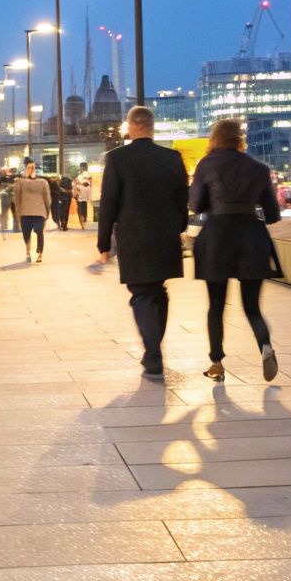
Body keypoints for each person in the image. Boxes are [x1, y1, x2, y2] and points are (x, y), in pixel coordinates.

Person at [96, 106, 189, 380]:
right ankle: (153, 350)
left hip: (134, 236)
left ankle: (153, 354)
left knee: (141, 293)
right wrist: (178, 227)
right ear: (151, 126)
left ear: (131, 126)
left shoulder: (117, 159)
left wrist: (104, 243)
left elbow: (108, 204)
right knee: (158, 291)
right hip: (165, 236)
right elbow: (182, 198)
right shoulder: (172, 158)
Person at [190, 120, 282, 383]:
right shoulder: (258, 168)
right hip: (252, 238)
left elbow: (196, 204)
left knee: (216, 306)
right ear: (239, 139)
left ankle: (216, 362)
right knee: (252, 307)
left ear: (215, 138)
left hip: (217, 239)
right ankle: (265, 346)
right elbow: (272, 214)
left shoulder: (206, 165)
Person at [12, 161, 52, 262]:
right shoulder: (20, 182)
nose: (31, 169)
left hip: (39, 211)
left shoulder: (43, 182)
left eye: (33, 167)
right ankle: (28, 250)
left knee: (39, 232)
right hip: (25, 212)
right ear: (26, 169)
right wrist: (18, 212)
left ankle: (40, 253)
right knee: (26, 234)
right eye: (29, 167)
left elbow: (47, 198)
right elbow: (17, 199)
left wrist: (47, 211)